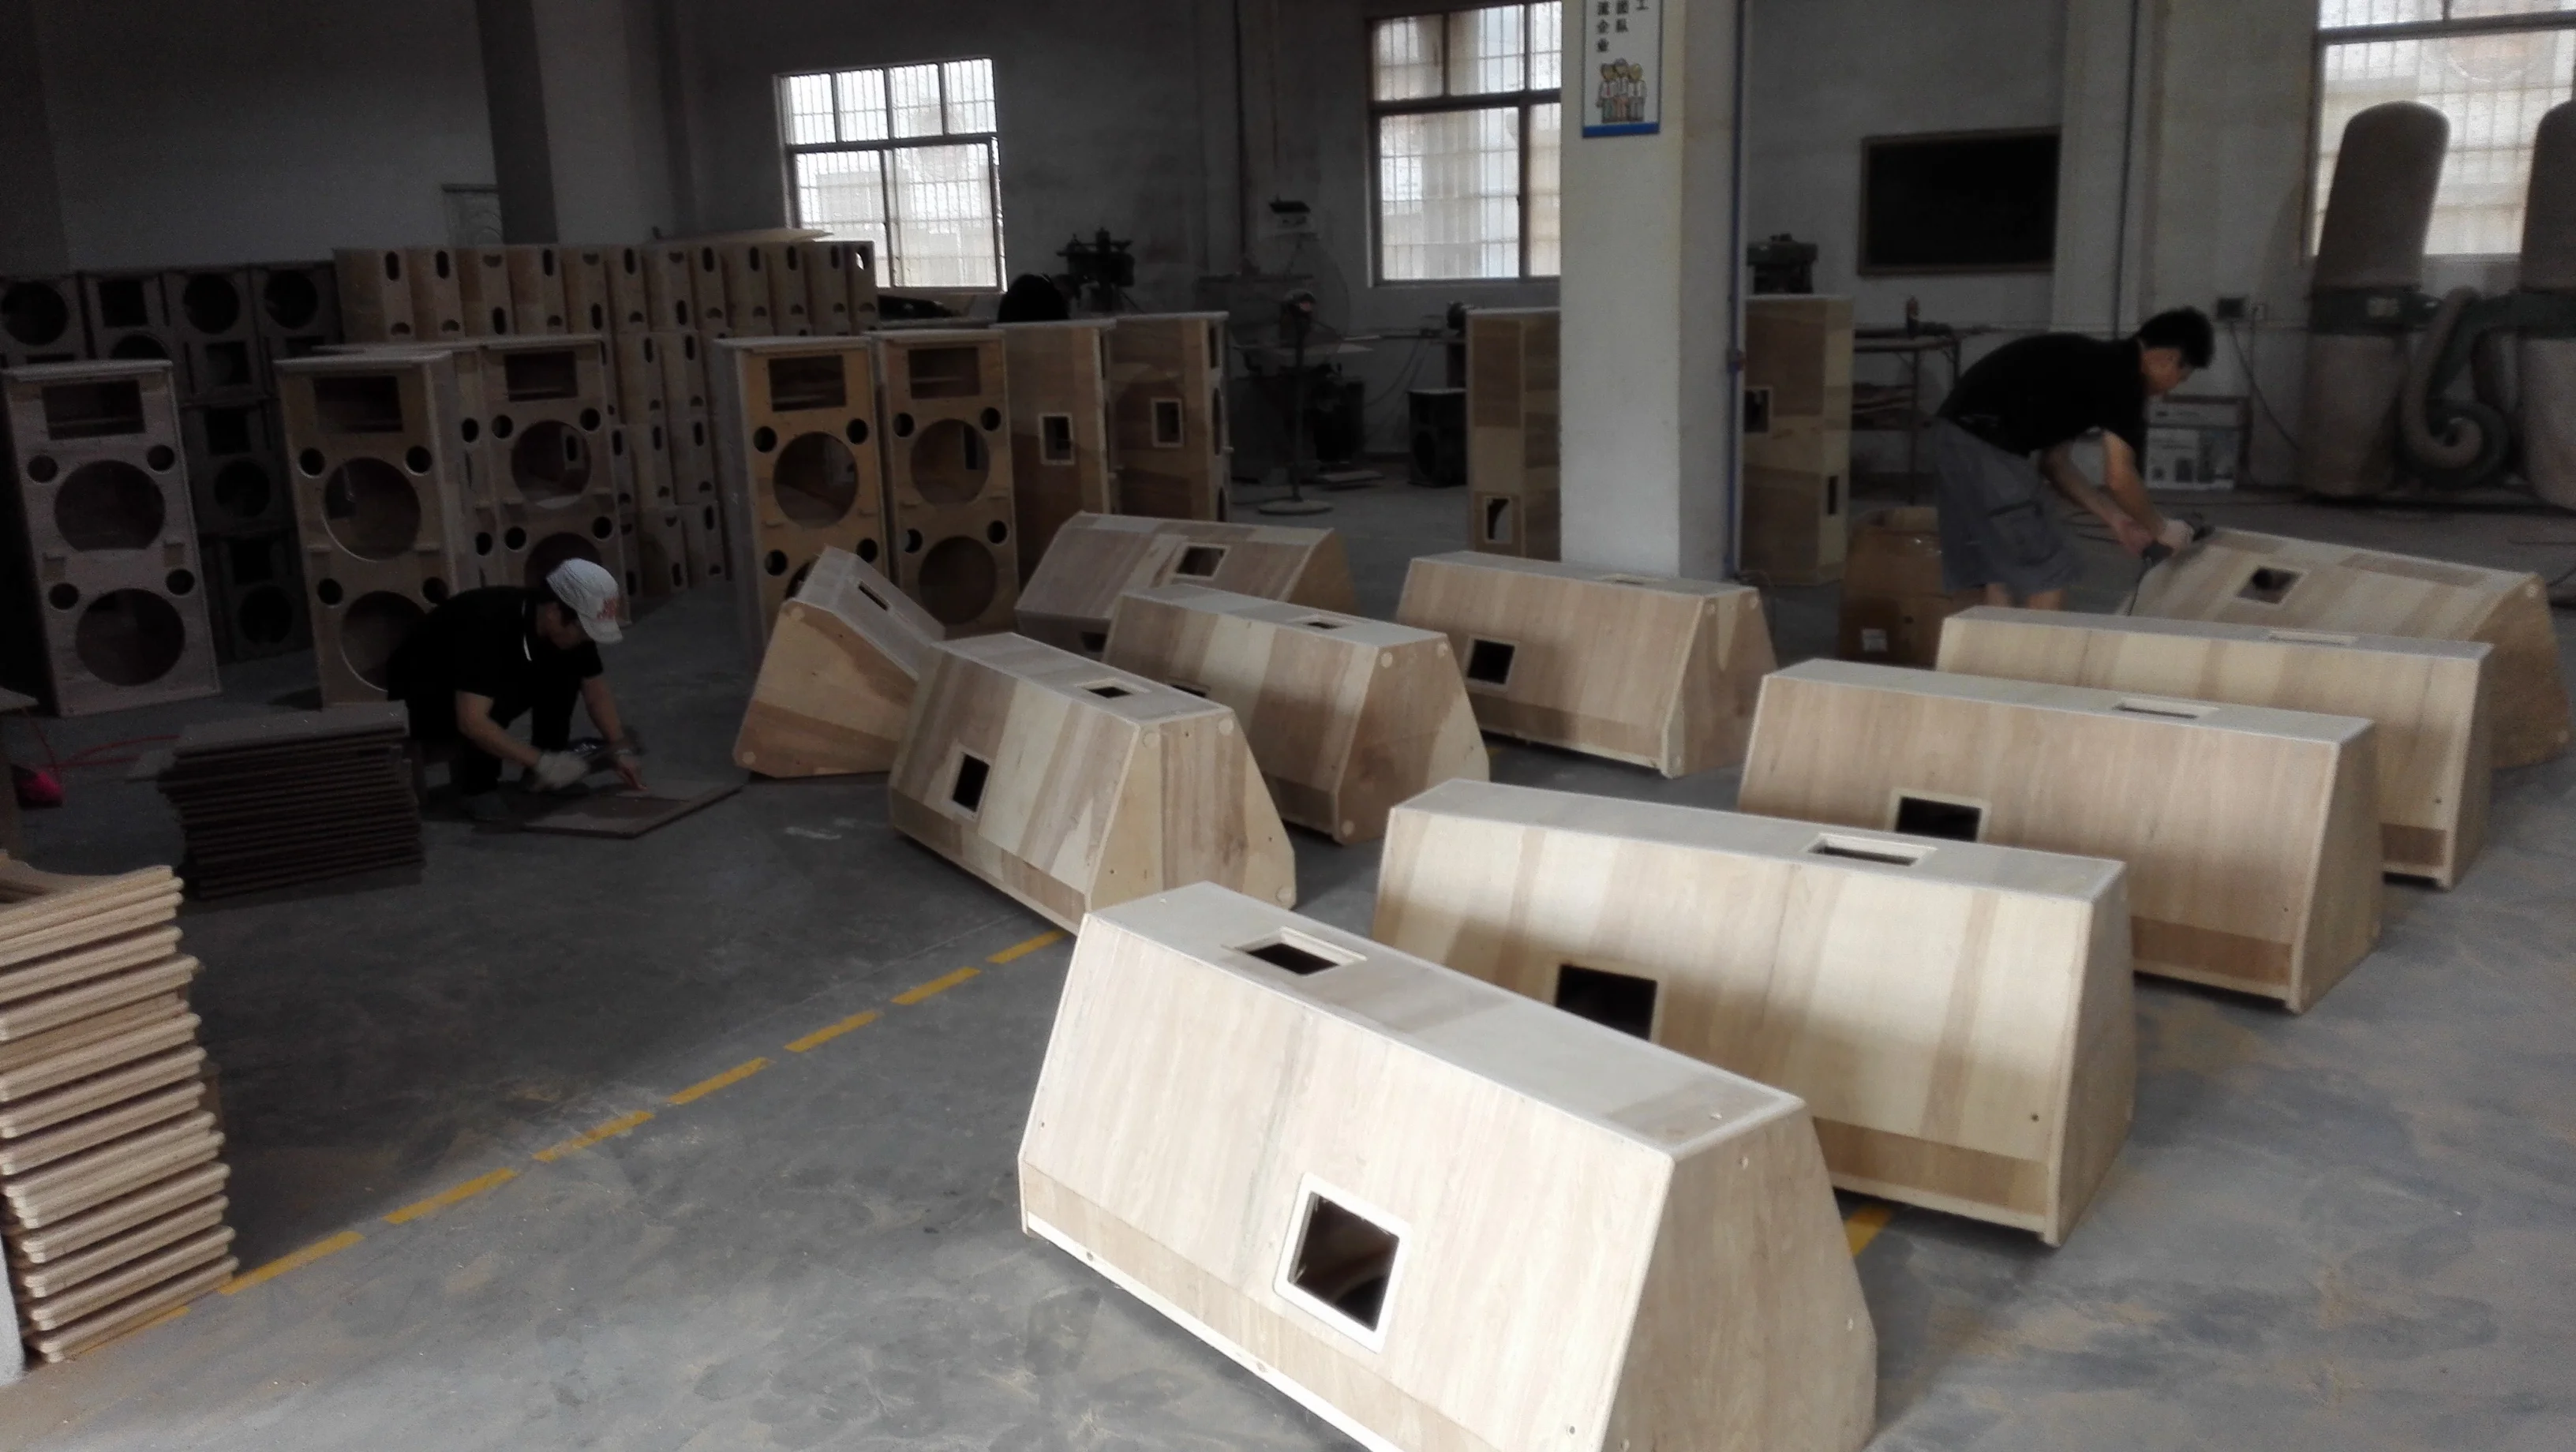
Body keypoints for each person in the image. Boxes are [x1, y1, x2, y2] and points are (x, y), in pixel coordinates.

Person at [1929, 307, 2215, 608]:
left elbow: (2056, 465)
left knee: (1990, 570)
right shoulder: (2125, 378)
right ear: (2168, 358)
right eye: (2180, 377)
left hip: (1951, 437)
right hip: (1986, 446)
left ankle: (1978, 638)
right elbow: (2119, 478)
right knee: (2049, 569)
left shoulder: (2088, 366)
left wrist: (2116, 520)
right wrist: (2162, 529)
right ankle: (2037, 642)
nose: (2170, 389)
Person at [387, 557, 645, 821]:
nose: (586, 639)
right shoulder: (489, 626)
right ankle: (478, 788)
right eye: (583, 631)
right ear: (554, 613)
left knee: (566, 669)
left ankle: (540, 773)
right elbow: (472, 721)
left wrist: (620, 747)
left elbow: (595, 690)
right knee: (498, 697)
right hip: (420, 695)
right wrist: (542, 761)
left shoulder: (568, 626)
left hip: (472, 687)